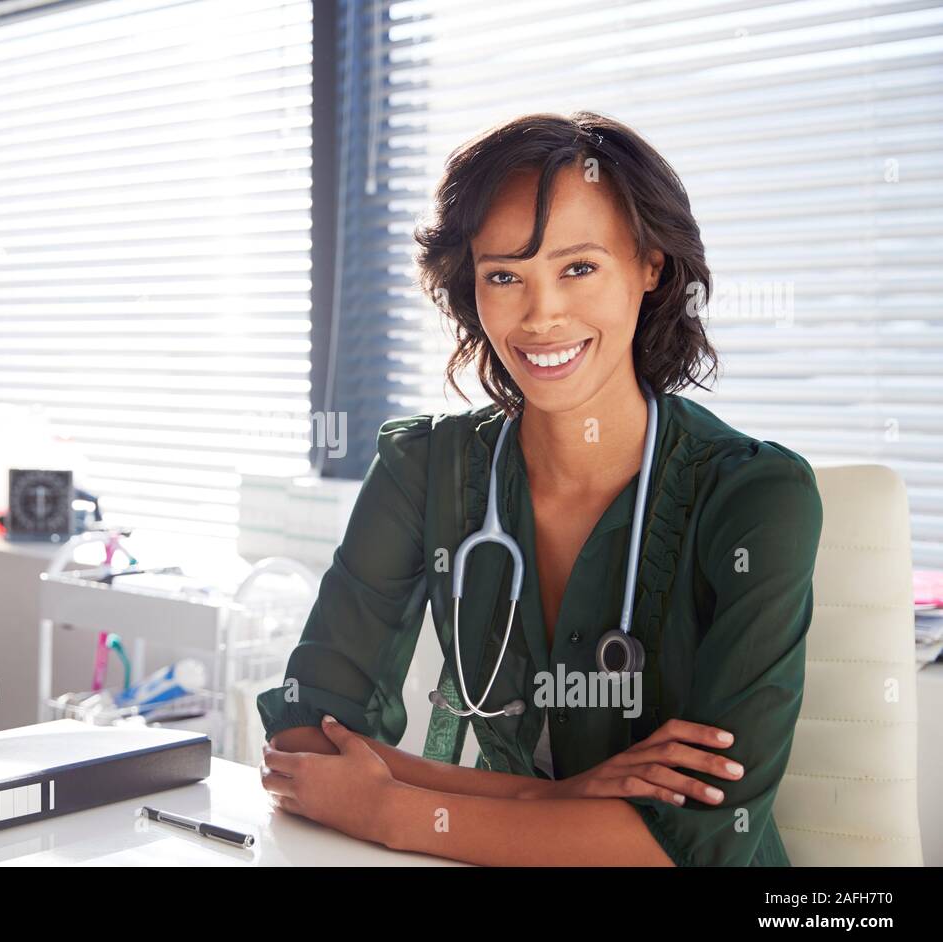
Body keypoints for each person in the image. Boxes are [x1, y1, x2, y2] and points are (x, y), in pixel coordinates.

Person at [256, 111, 823, 866]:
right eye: (504, 276)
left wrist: (392, 810)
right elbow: (306, 737)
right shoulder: (423, 469)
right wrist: (555, 799)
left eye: (579, 268)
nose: (541, 315)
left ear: (651, 265)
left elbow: (694, 839)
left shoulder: (758, 498)